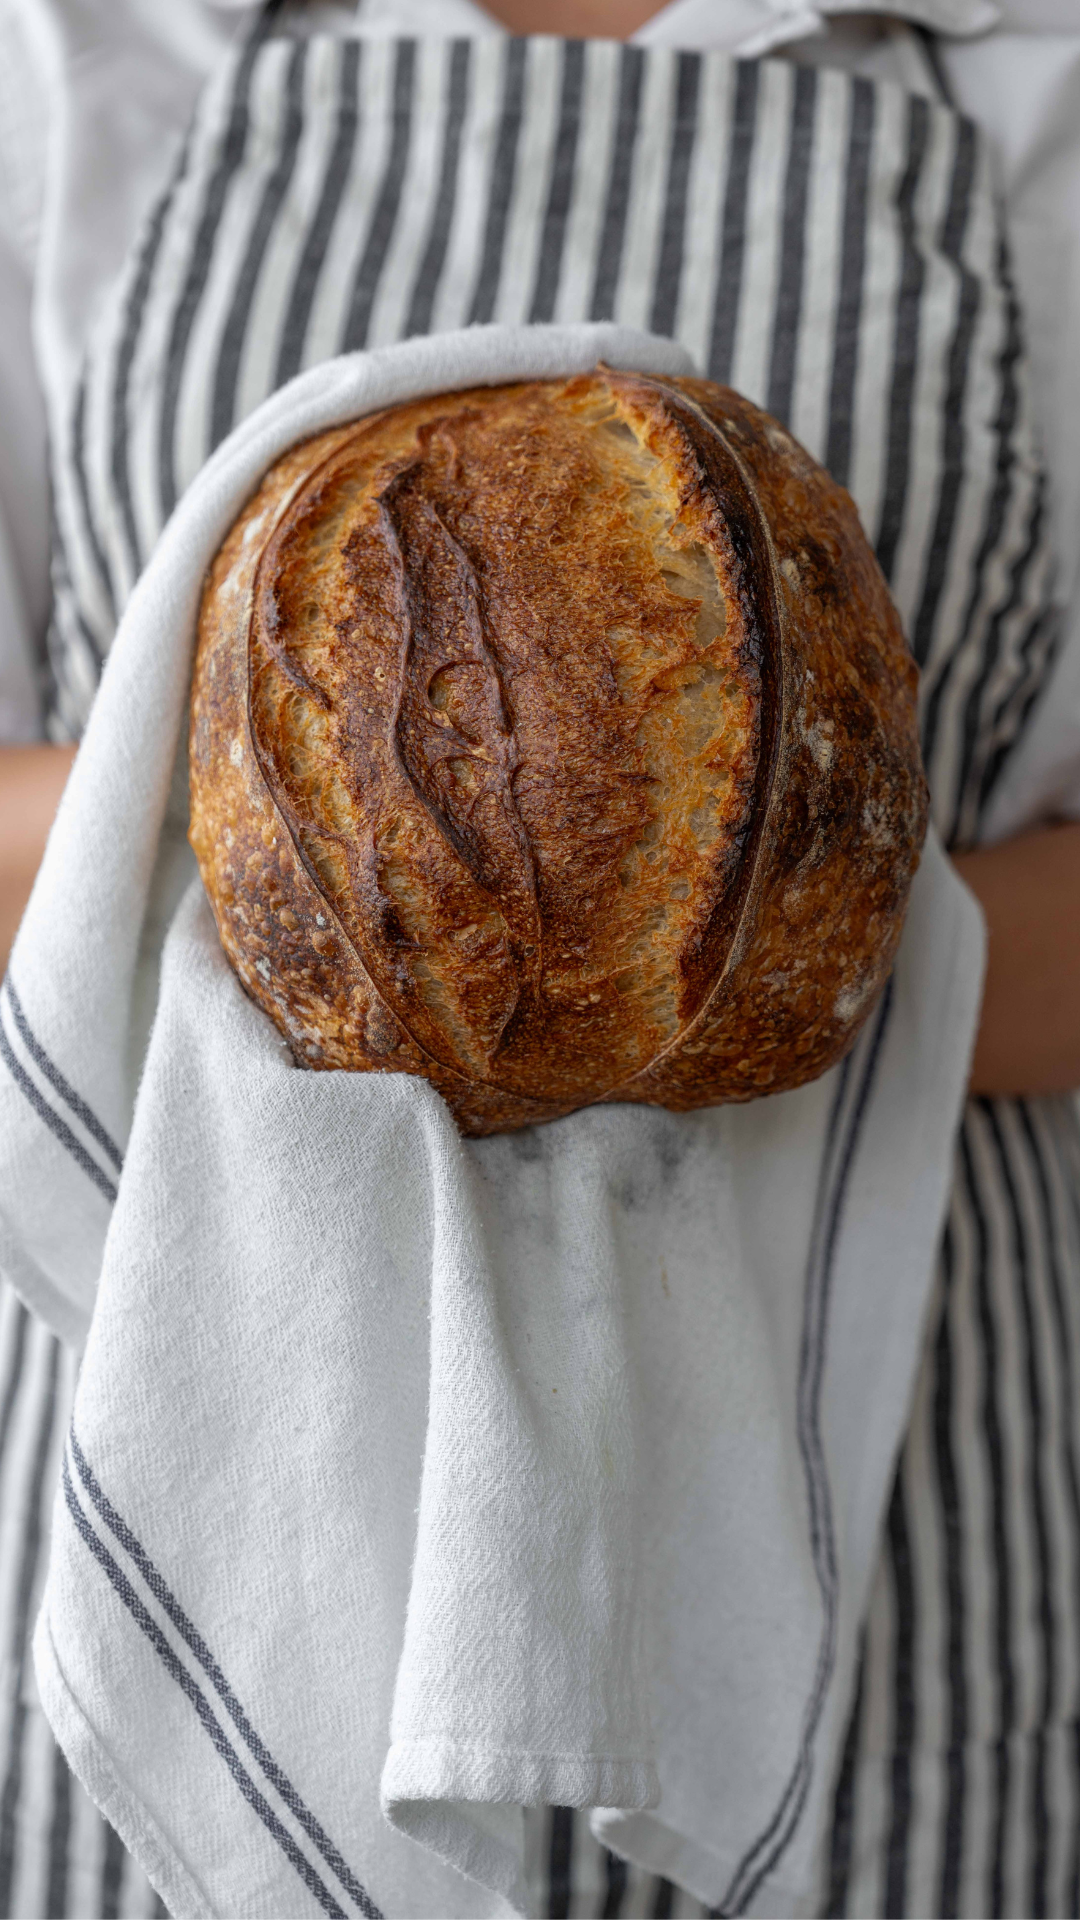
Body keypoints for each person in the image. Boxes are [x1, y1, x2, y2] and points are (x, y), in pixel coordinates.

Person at [1, 0, 1079, 1912]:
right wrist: (305, 841)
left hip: (889, 1505)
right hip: (207, 1441)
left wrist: (818, 943)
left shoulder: (1036, 68)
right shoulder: (88, 46)